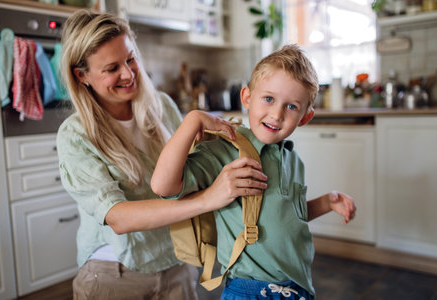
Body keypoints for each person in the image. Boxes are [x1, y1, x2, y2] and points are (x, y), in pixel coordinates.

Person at [57, 10, 267, 300]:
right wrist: (208, 198)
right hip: (113, 273)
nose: (129, 74)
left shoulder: (163, 106)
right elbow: (118, 217)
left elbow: (190, 174)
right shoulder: (75, 135)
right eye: (111, 68)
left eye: (131, 59)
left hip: (176, 263)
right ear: (82, 76)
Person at [151, 44, 356, 299]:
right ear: (247, 97)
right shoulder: (225, 151)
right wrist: (192, 120)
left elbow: (289, 218)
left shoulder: (292, 159)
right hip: (249, 290)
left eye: (291, 106)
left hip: (297, 288)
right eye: (268, 99)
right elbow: (162, 185)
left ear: (305, 117)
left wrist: (326, 202)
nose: (277, 114)